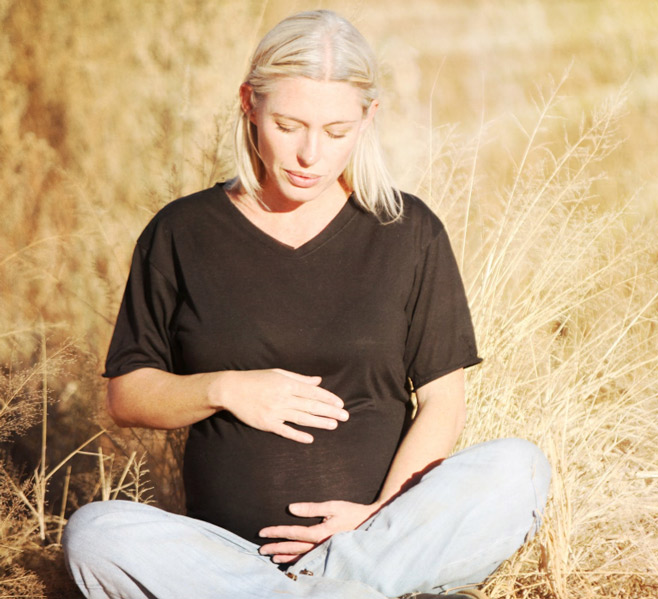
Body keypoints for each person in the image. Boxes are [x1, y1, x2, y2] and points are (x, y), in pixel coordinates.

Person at [63, 10, 550, 599]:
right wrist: (227, 388)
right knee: (95, 534)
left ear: (369, 118)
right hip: (227, 556)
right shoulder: (182, 232)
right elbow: (128, 394)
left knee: (518, 469)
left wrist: (375, 517)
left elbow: (442, 403)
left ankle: (337, 584)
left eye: (337, 131)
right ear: (249, 104)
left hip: (374, 539)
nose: (309, 154)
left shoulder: (408, 230)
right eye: (289, 125)